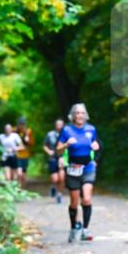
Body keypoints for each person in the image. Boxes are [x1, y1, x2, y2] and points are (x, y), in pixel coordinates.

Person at [56, 104, 100, 243]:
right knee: (74, 202)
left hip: (88, 168)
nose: (80, 115)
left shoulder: (91, 129)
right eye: (77, 113)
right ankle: (73, 228)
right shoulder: (67, 130)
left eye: (82, 113)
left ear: (85, 115)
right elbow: (57, 151)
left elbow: (95, 145)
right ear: (73, 115)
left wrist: (96, 147)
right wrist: (66, 145)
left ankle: (85, 230)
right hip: (73, 169)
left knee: (86, 199)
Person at [43, 118, 66, 203]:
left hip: (63, 158)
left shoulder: (66, 135)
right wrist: (49, 152)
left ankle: (59, 194)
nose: (59, 126)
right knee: (55, 179)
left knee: (62, 177)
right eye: (58, 124)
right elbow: (45, 145)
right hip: (53, 158)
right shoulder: (50, 134)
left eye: (61, 124)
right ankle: (53, 186)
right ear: (55, 125)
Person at [15, 116, 34, 188]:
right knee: (19, 173)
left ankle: (23, 187)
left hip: (25, 155)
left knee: (24, 173)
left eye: (23, 124)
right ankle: (19, 188)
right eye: (20, 124)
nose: (21, 126)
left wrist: (28, 140)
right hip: (17, 155)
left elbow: (32, 143)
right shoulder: (14, 131)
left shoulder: (28, 131)